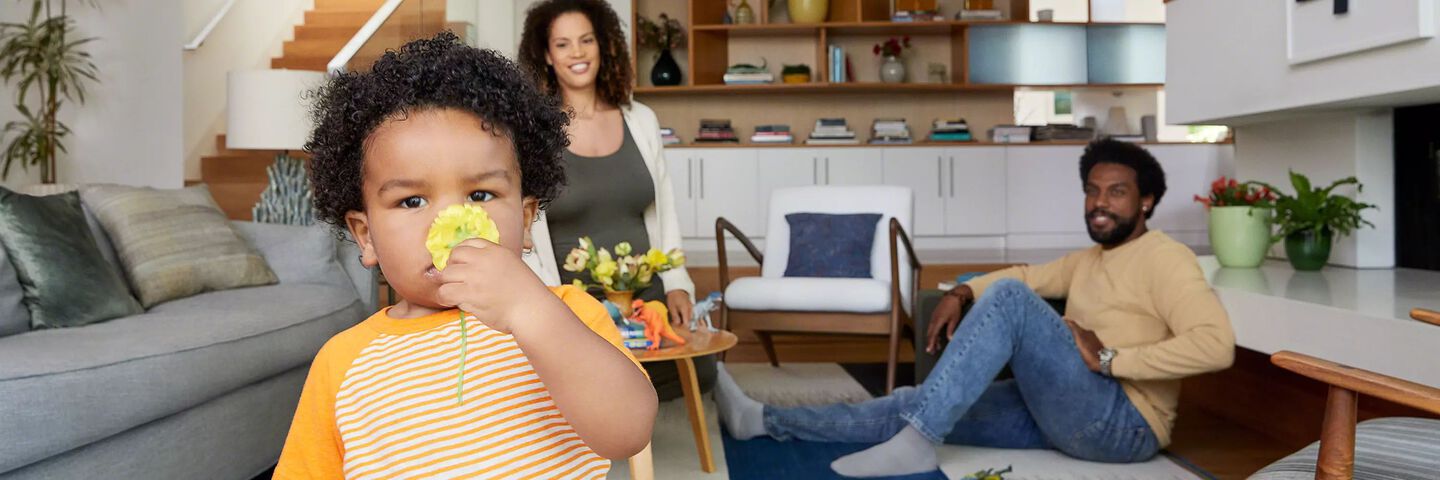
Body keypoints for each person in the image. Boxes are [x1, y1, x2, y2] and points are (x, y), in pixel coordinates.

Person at [713, 138, 1236, 478]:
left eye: (1117, 193)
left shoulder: (1167, 259)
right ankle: (762, 419)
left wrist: (1110, 360)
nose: (1100, 203)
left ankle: (919, 442)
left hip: (1123, 425)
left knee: (1009, 303)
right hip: (1066, 413)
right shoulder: (1089, 260)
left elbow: (1217, 346)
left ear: (1146, 201)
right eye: (1092, 191)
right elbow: (1028, 275)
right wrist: (961, 292)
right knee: (914, 401)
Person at [274, 32, 655, 479]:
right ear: (366, 236)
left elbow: (629, 432)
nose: (451, 220)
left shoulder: (565, 315)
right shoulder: (343, 364)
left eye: (480, 193)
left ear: (527, 218)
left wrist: (528, 310)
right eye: (412, 201)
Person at [518, 0, 714, 401]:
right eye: (563, 44)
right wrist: (551, 307)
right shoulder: (531, 131)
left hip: (646, 294)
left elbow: (665, 210)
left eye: (587, 40)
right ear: (546, 55)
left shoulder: (640, 119)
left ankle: (738, 409)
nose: (577, 53)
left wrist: (678, 284)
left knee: (702, 366)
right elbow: (522, 227)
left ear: (604, 46)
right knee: (594, 385)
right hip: (575, 302)